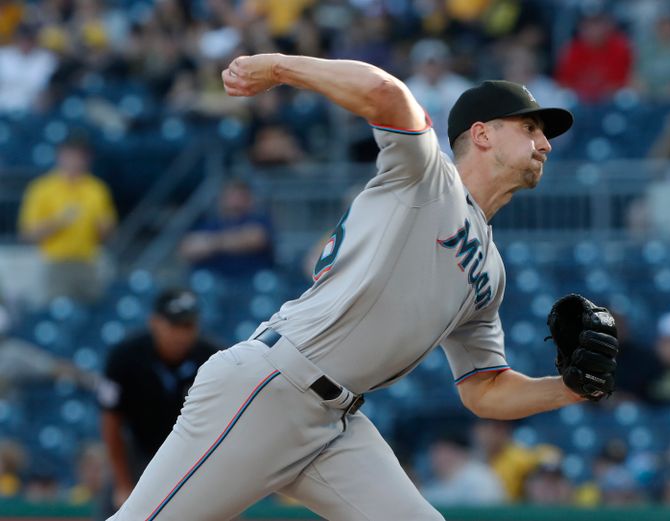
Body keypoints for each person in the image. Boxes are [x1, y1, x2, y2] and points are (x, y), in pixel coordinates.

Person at [105, 52, 618, 521]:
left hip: (334, 425)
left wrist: (569, 389)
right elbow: (387, 94)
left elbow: (484, 389)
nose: (545, 143)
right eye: (530, 127)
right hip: (271, 387)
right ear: (482, 134)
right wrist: (279, 67)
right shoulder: (428, 178)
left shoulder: (492, 271)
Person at [97, 289, 220, 517]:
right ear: (154, 322)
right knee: (117, 510)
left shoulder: (214, 358)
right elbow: (111, 419)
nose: (182, 335)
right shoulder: (125, 356)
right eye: (174, 325)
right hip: (139, 449)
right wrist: (122, 483)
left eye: (188, 326)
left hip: (192, 454)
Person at [18, 138, 117, 304]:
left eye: (80, 156)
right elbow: (27, 234)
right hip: (56, 262)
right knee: (58, 310)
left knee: (94, 311)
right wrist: (59, 222)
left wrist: (105, 229)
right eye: (71, 155)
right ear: (60, 157)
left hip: (89, 261)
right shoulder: (42, 188)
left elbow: (108, 231)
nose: (76, 161)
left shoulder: (96, 189)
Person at [179, 179, 276, 279]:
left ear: (249, 199)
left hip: (252, 278)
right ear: (222, 199)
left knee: (266, 281)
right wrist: (236, 241)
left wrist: (211, 243)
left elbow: (256, 239)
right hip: (217, 279)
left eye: (240, 196)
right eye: (231, 196)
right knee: (201, 279)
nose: (235, 201)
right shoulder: (211, 223)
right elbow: (188, 249)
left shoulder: (259, 219)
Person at [420, 429, 505, 506]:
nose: (438, 457)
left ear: (460, 452)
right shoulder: (433, 483)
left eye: (445, 451)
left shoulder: (480, 477)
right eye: (436, 452)